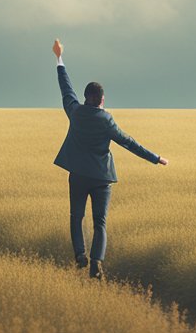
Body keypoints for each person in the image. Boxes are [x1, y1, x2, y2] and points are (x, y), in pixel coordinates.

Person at [51, 38, 168, 279]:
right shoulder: (106, 120)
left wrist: (59, 58)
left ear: (85, 97)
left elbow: (66, 88)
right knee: (99, 222)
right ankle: (96, 264)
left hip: (78, 176)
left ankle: (79, 256)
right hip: (101, 179)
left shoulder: (75, 112)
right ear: (102, 99)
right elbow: (128, 142)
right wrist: (155, 158)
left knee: (76, 216)